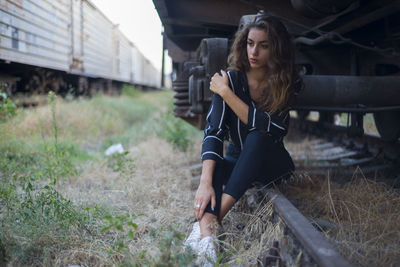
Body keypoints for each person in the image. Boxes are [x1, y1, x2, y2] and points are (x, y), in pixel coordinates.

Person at [185, 14, 301, 265]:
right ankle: (206, 236)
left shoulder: (284, 81)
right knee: (214, 164)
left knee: (259, 136)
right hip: (240, 163)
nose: (254, 51)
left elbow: (270, 128)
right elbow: (213, 131)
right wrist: (205, 183)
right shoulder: (231, 79)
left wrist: (226, 93)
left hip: (273, 164)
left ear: (277, 48)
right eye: (250, 43)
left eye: (264, 45)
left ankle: (211, 225)